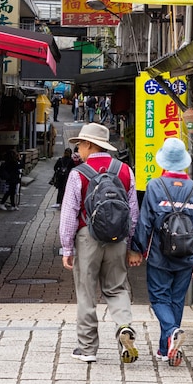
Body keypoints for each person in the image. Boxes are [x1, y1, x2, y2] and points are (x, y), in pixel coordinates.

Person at [59, 122, 140, 364]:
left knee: (86, 292)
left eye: (80, 144)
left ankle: (87, 349)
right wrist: (130, 242)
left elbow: (69, 213)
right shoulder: (125, 170)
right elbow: (133, 212)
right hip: (117, 238)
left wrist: (67, 247)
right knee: (116, 288)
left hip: (87, 237)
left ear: (90, 145)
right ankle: (124, 326)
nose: (78, 150)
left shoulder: (78, 173)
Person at [130, 137, 193, 367]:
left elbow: (145, 223)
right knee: (176, 300)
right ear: (184, 162)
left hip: (159, 255)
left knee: (158, 298)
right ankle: (166, 349)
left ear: (164, 162)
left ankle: (172, 331)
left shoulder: (155, 186)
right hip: (186, 257)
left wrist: (137, 249)